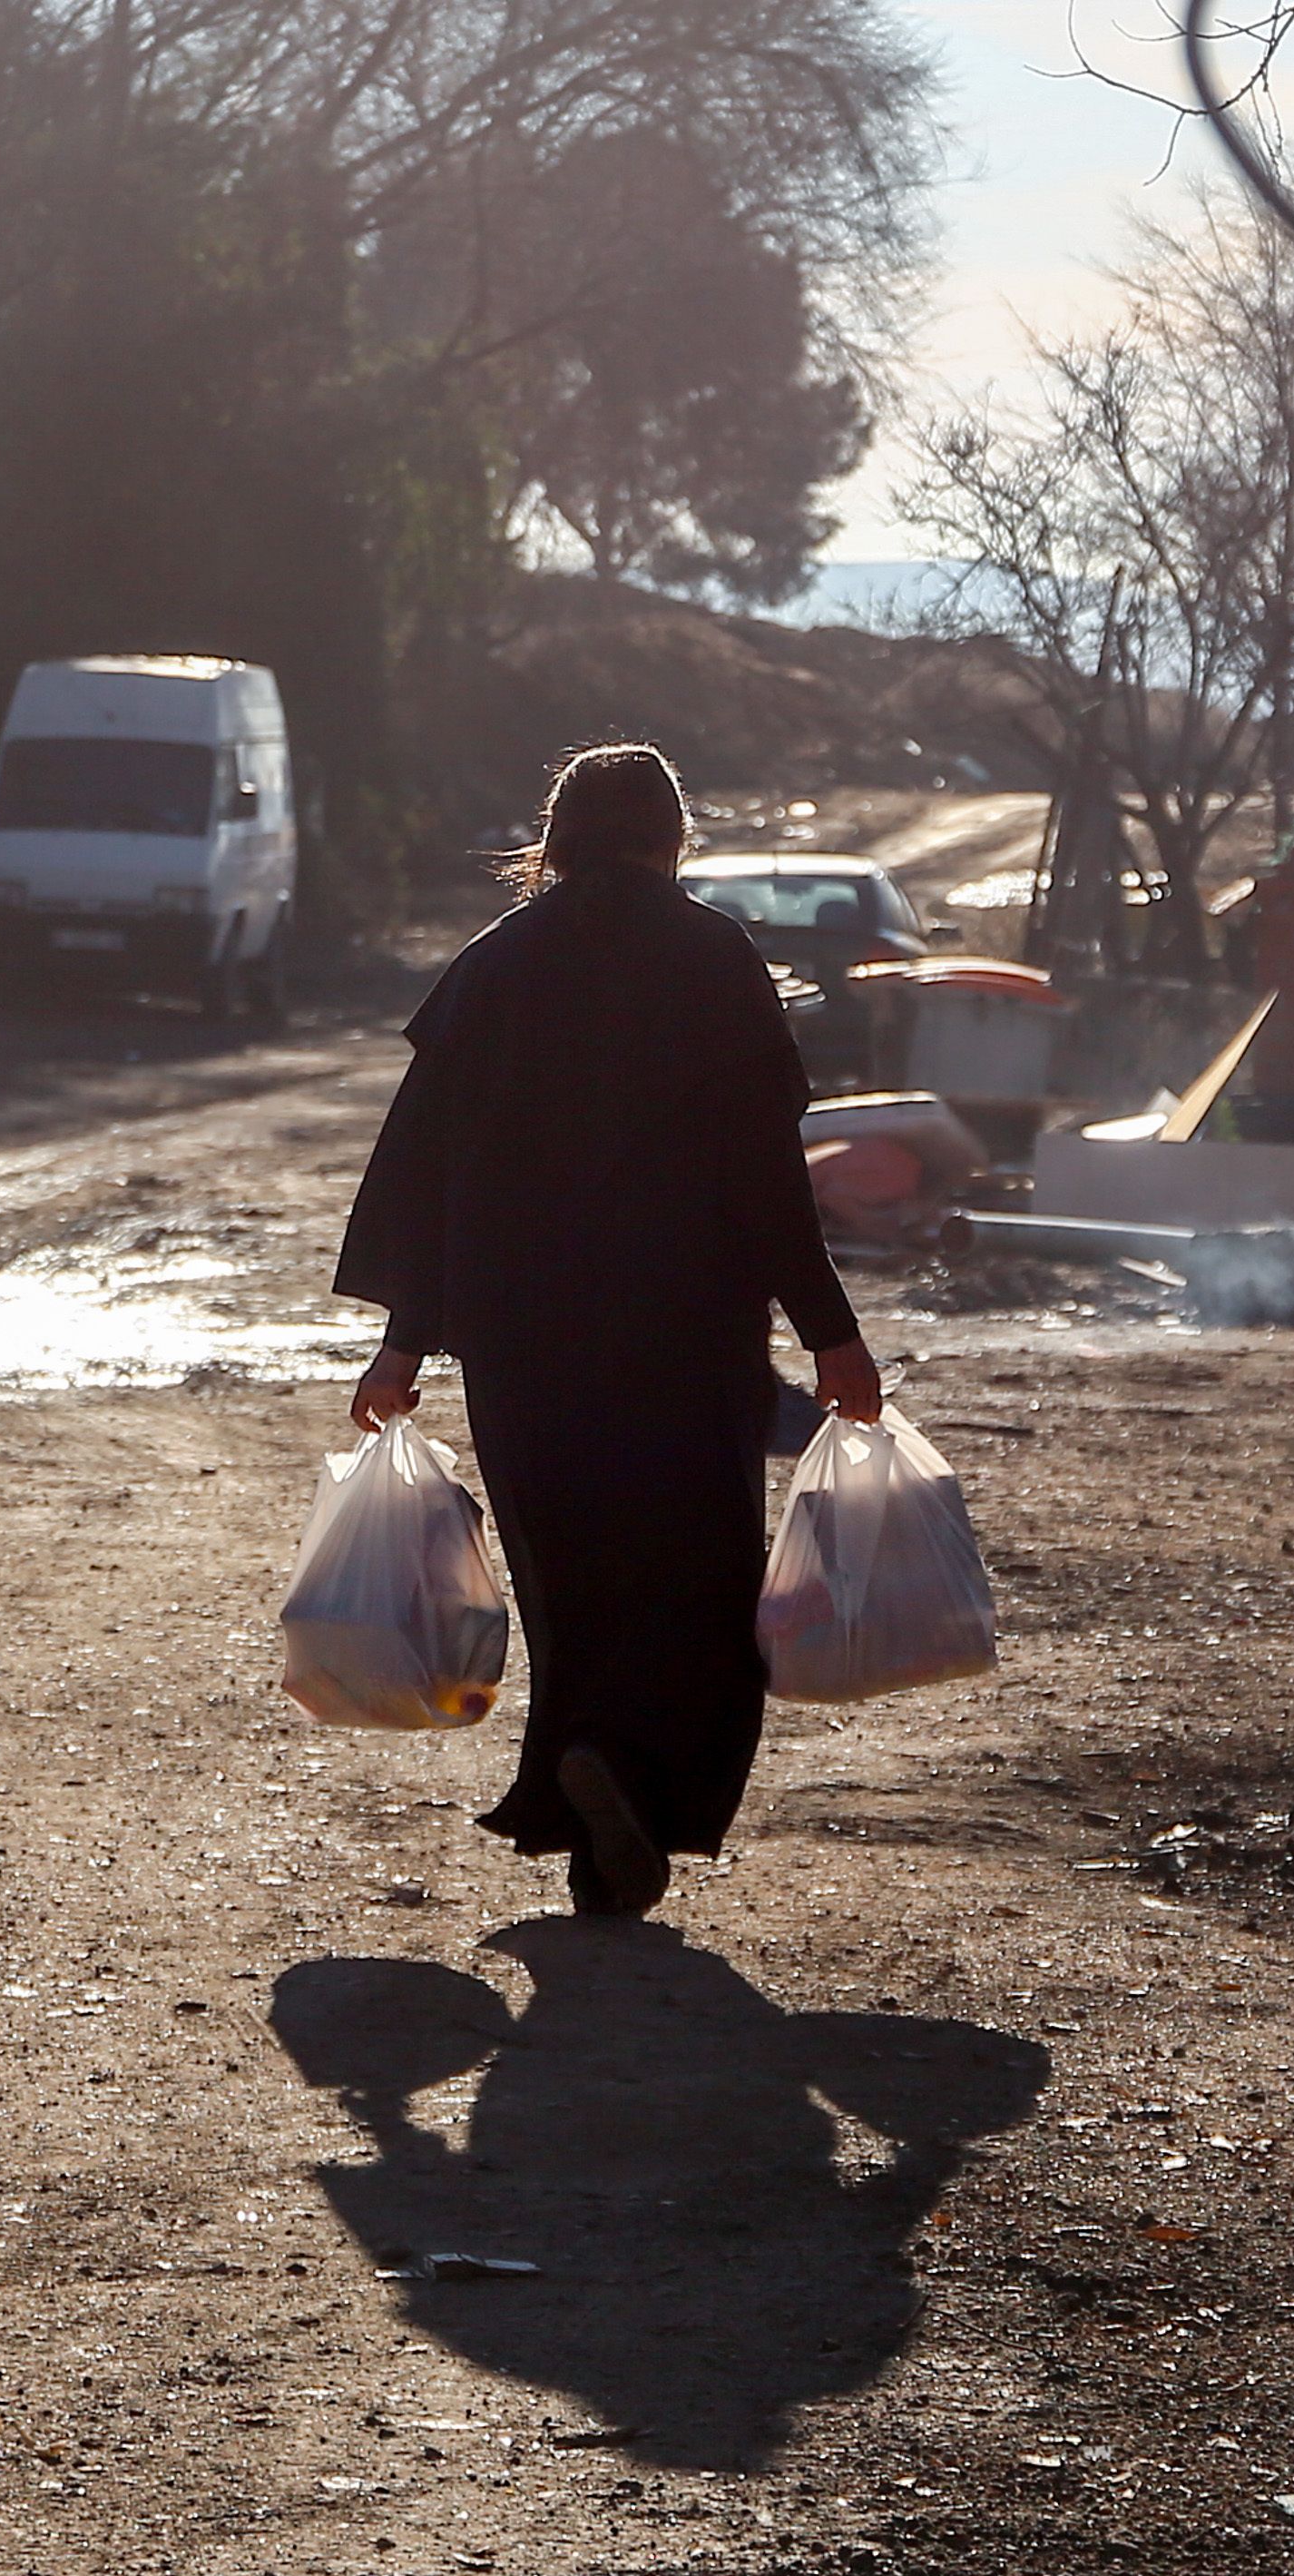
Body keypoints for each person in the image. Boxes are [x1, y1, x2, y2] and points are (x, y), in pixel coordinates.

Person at [333, 743, 879, 1918]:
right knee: (688, 1576)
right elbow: (764, 1178)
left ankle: (591, 1793)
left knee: (570, 1579)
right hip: (685, 1332)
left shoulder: (494, 967)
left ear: (562, 838)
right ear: (672, 840)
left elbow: (430, 1175)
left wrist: (402, 1343)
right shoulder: (716, 960)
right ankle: (627, 1805)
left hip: (527, 1341)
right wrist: (831, 1331)